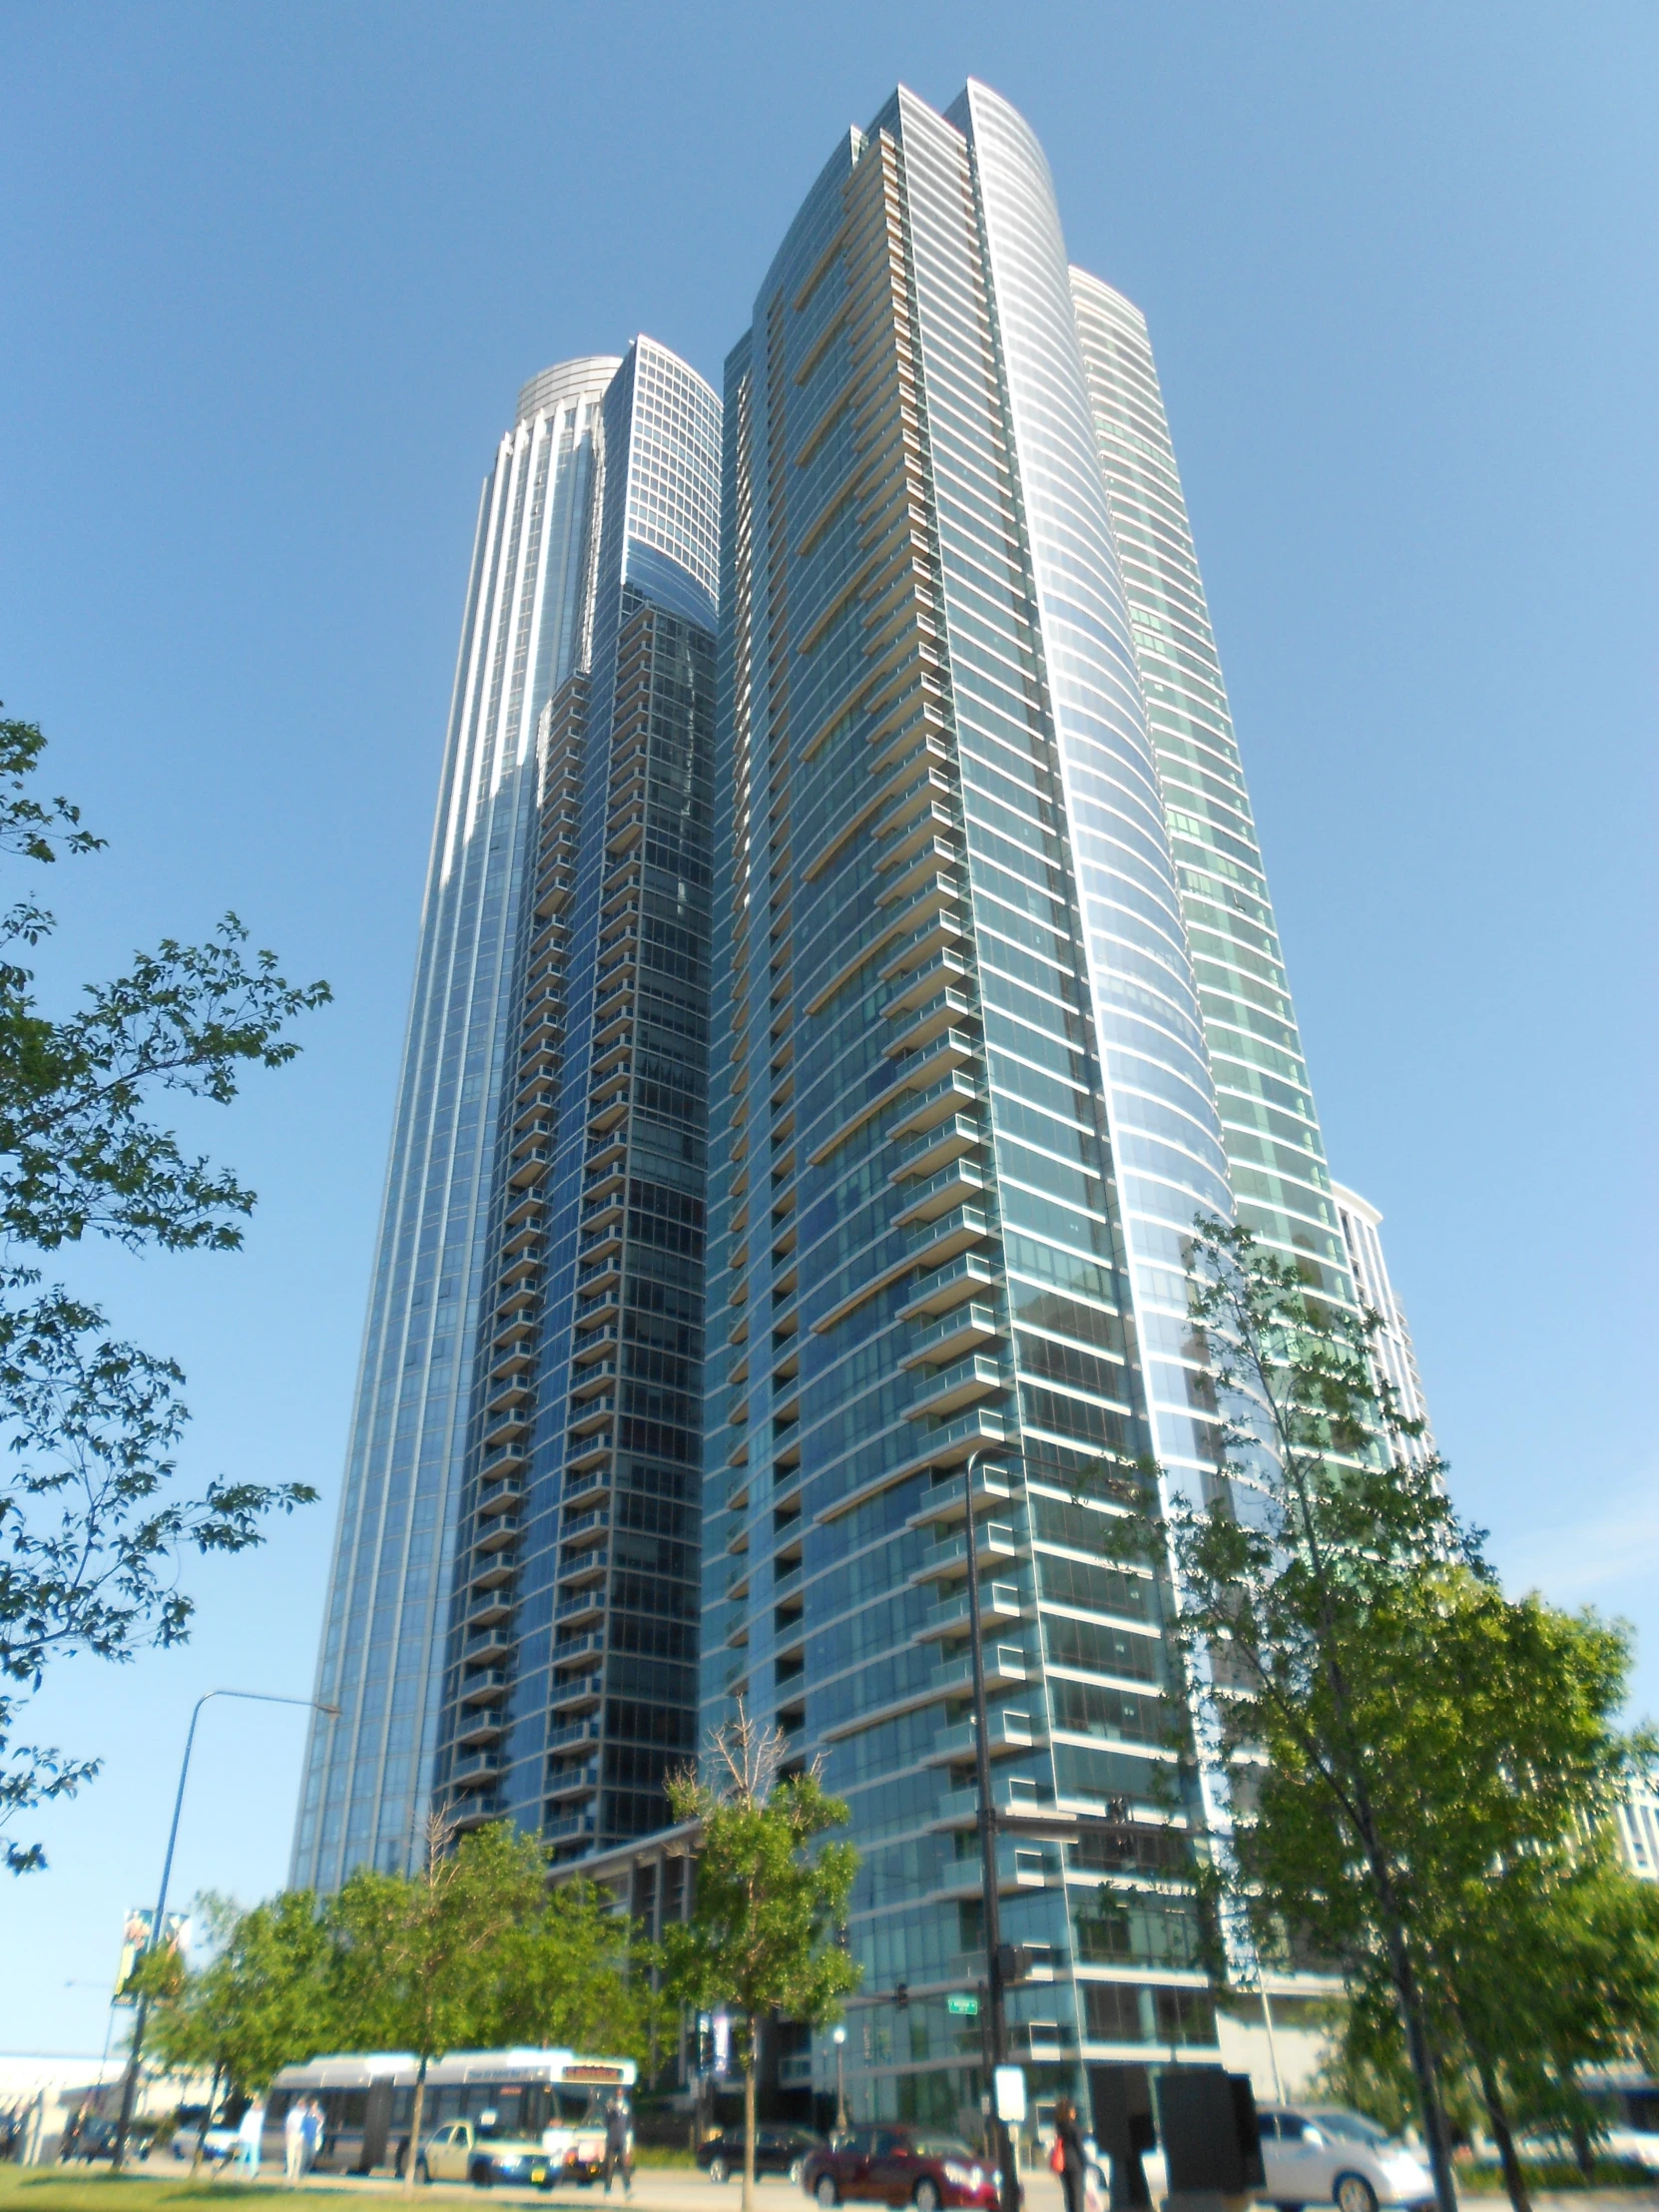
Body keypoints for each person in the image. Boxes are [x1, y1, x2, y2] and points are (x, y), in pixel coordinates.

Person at [1053, 2098, 1086, 2212]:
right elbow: (1079, 2147)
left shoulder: (1059, 2126)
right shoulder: (1074, 2128)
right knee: (1077, 2197)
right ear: (1069, 2112)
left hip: (1063, 2165)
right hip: (1075, 2165)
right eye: (1073, 2110)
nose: (1074, 2113)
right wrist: (1085, 2163)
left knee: (1069, 2196)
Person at [602, 2094, 632, 2198]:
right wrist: (611, 2110)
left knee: (625, 2166)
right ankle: (607, 2189)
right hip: (612, 2141)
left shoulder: (626, 2107)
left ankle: (627, 2189)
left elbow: (628, 2127)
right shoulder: (610, 2106)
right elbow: (606, 2122)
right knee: (610, 2167)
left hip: (621, 2141)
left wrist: (628, 2146)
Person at [237, 2100, 265, 2180]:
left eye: (259, 2106)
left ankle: (252, 2173)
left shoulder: (261, 2115)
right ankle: (238, 2173)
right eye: (256, 2106)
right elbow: (244, 2126)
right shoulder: (249, 2115)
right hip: (246, 2138)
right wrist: (241, 2136)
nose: (258, 2108)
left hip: (255, 2139)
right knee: (243, 2156)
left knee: (254, 2157)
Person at [284, 2098, 307, 2184]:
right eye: (300, 2104)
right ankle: (289, 2174)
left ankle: (296, 2174)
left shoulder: (306, 2114)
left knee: (298, 2157)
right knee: (290, 2156)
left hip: (301, 2136)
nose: (301, 2106)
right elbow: (288, 2125)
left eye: (302, 2104)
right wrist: (287, 2136)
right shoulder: (293, 2114)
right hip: (292, 2135)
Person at [300, 2098, 323, 2176]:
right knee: (306, 2153)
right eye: (314, 2105)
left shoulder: (318, 2113)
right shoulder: (307, 2113)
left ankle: (310, 2167)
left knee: (313, 2153)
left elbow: (321, 2121)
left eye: (316, 2105)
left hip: (316, 2135)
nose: (315, 2106)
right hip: (308, 2136)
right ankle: (304, 2169)